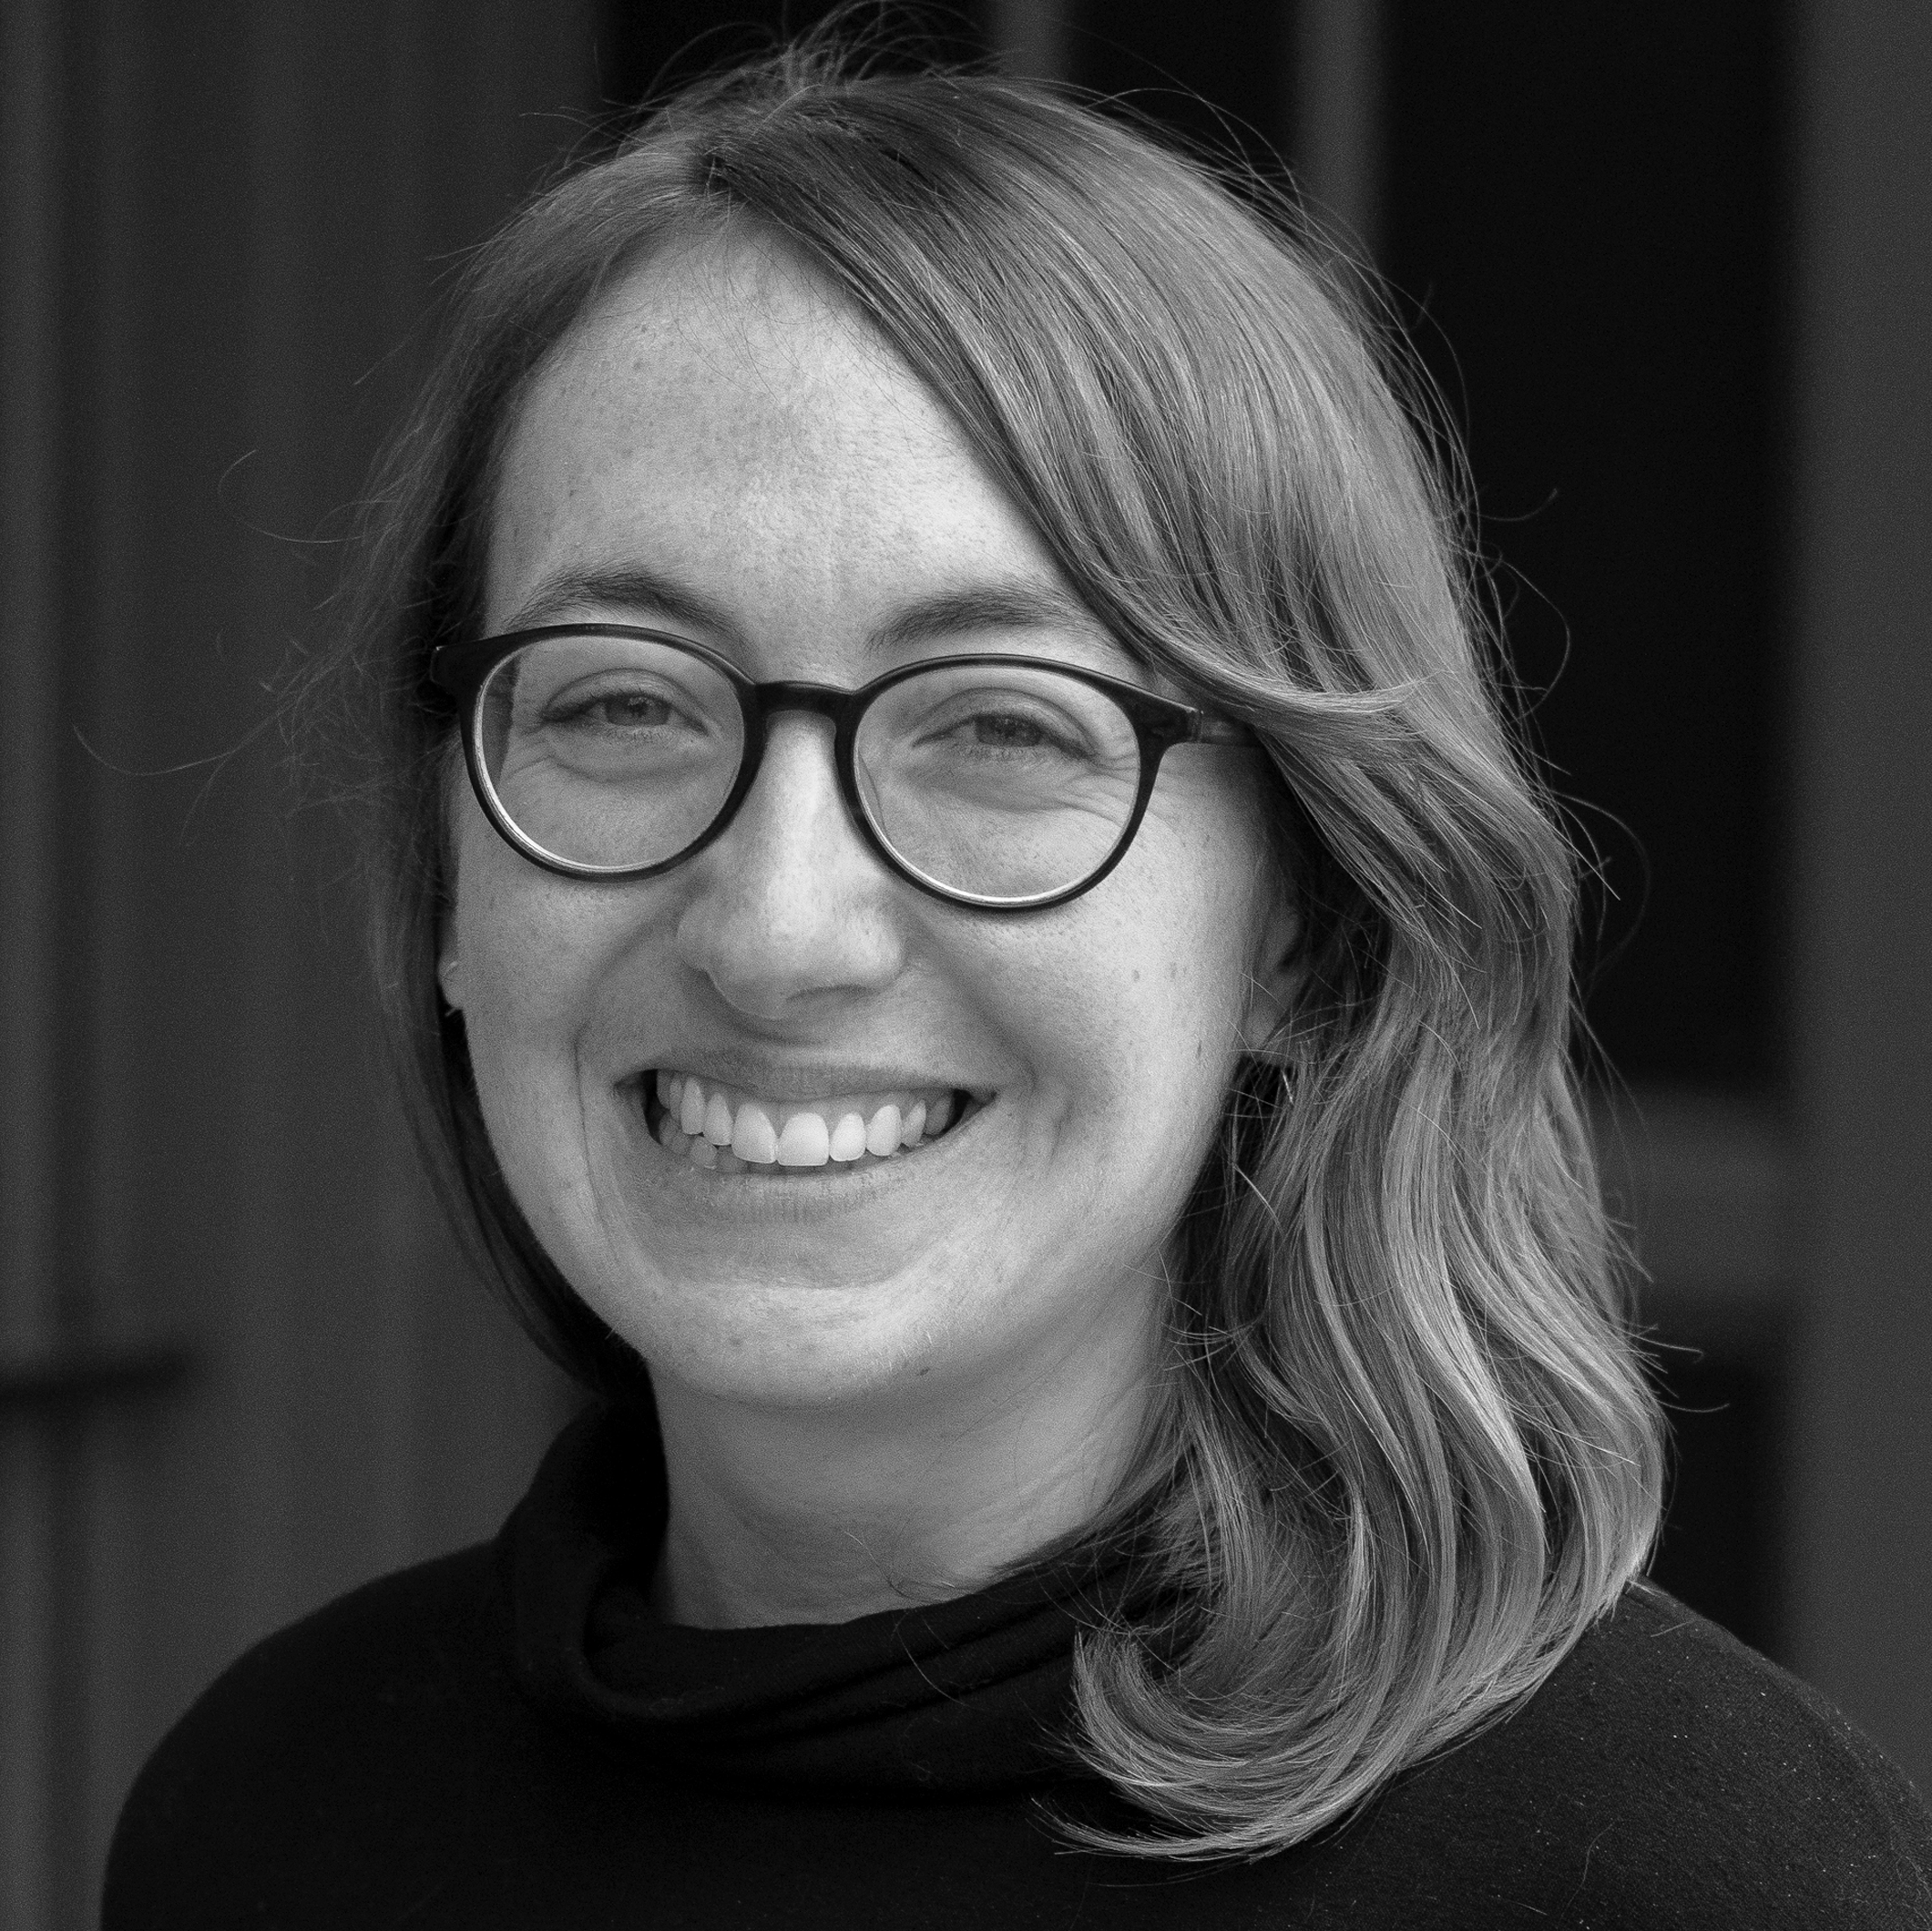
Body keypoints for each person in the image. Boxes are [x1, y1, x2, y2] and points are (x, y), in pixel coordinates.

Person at [104, 43, 1932, 1929]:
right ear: (452, 888)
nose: (776, 926)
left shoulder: (1683, 1873)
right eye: (624, 702)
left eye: (998, 726)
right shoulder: (274, 1812)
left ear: (1302, 925)